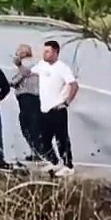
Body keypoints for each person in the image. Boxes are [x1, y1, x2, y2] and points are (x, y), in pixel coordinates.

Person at [32, 39, 79, 178]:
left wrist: (66, 102)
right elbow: (28, 72)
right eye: (44, 51)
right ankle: (53, 161)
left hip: (58, 109)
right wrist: (19, 63)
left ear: (56, 52)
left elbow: (74, 85)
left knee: (61, 138)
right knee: (43, 139)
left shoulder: (62, 67)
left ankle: (68, 165)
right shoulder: (41, 65)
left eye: (47, 51)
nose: (44, 54)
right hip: (44, 108)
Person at [10, 44, 42, 161]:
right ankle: (36, 151)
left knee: (29, 127)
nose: (16, 54)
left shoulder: (28, 64)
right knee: (32, 127)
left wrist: (19, 66)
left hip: (30, 98)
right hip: (30, 99)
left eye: (18, 52)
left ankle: (39, 151)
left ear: (24, 54)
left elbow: (16, 79)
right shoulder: (30, 64)